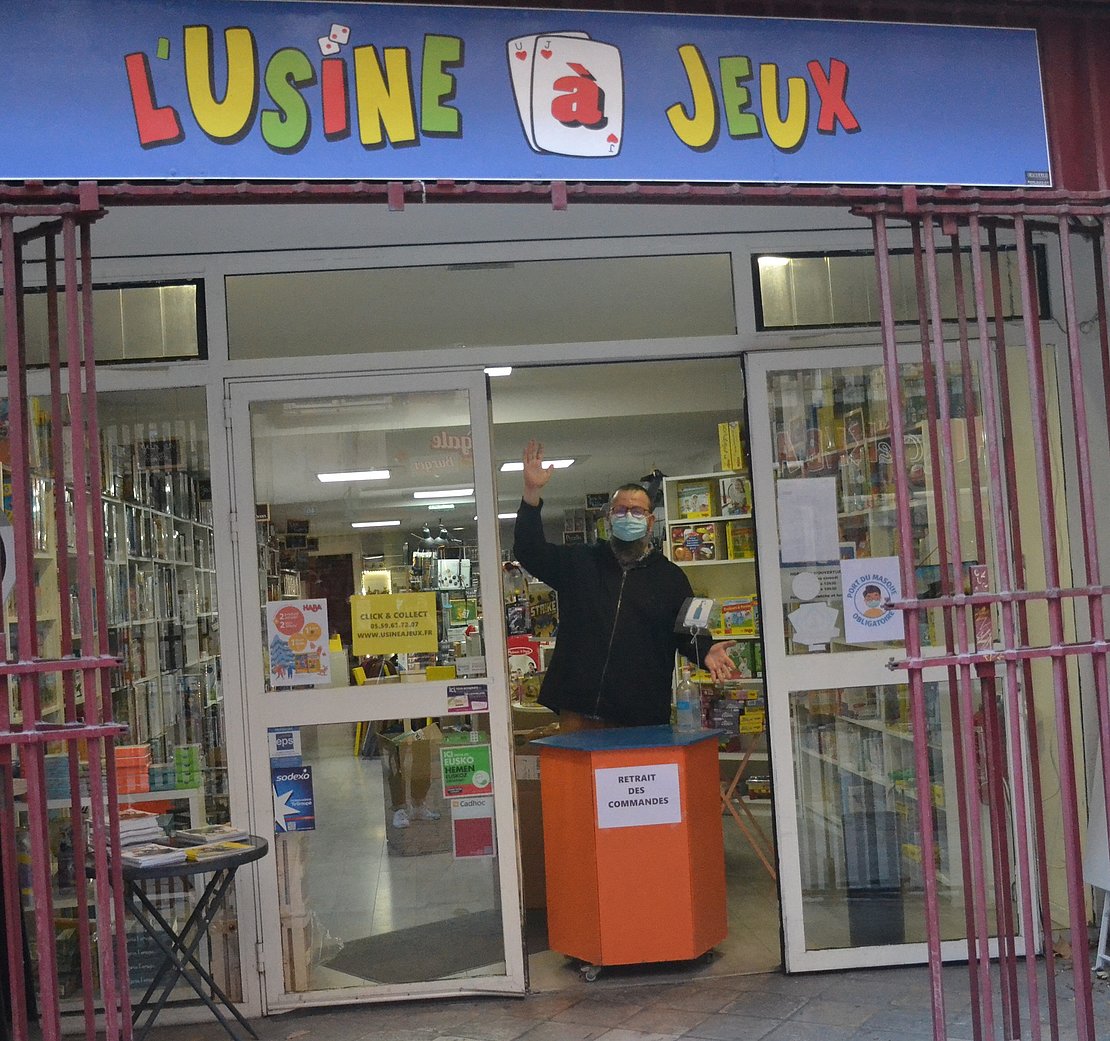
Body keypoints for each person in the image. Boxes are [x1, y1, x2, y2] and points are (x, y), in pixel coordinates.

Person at [513, 440, 737, 730]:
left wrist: (705, 651)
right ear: (609, 518)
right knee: (580, 778)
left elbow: (688, 631)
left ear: (650, 521)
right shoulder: (580, 563)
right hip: (579, 710)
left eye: (637, 511)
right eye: (620, 511)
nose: (628, 516)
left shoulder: (671, 578)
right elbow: (529, 549)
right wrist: (532, 493)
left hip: (640, 714)